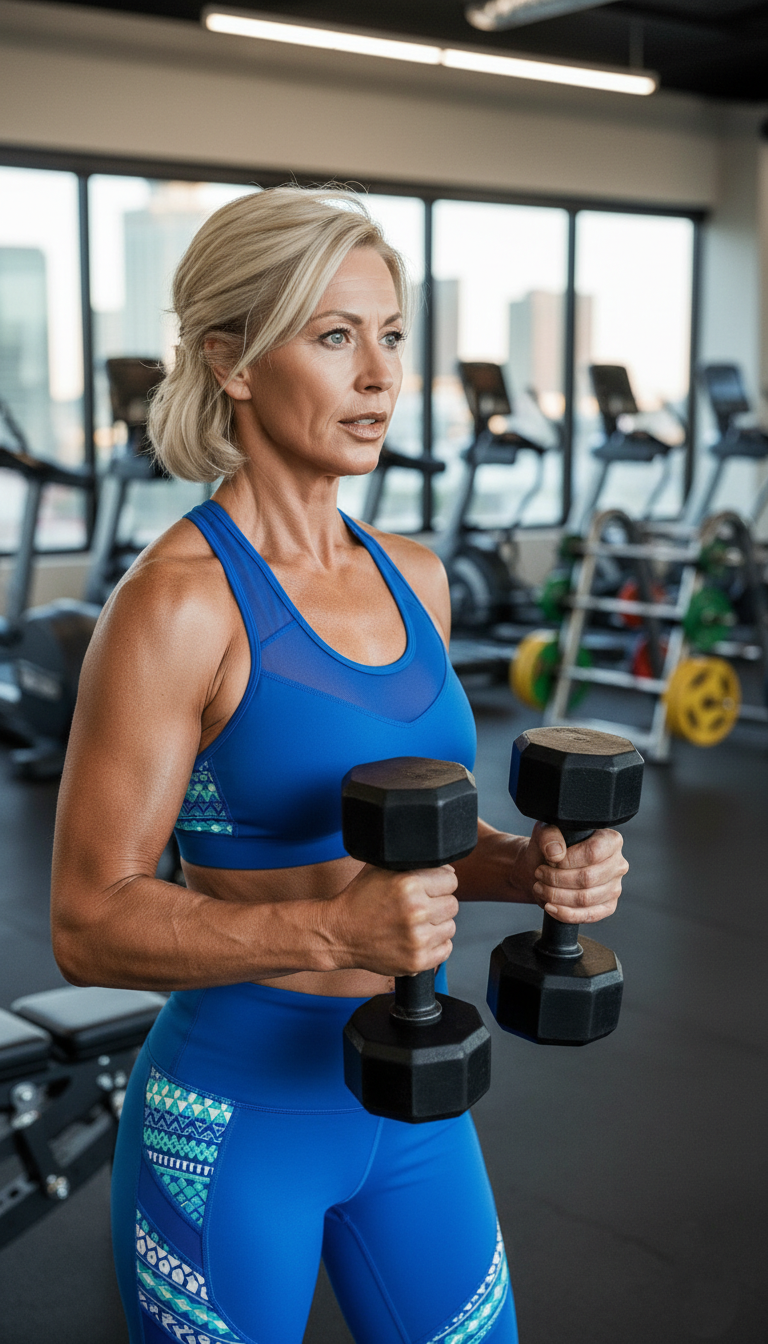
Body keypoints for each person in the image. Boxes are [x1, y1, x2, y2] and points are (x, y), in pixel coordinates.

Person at [51, 187, 628, 1344]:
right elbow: (88, 920)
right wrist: (329, 934)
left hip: (414, 1096)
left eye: (392, 334)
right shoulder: (178, 604)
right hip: (234, 1111)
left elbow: (413, 848)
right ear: (235, 362)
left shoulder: (415, 574)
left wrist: (531, 870)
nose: (379, 375)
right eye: (333, 336)